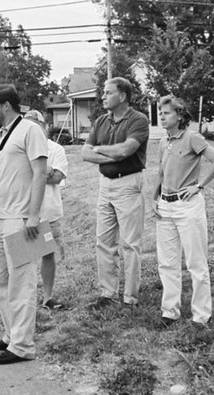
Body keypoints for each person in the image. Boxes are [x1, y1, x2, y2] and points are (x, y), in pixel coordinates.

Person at [0, 84, 48, 365]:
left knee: (22, 283)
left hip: (22, 219)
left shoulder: (30, 130)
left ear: (5, 105)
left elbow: (40, 172)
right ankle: (11, 334)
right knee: (1, 282)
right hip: (1, 217)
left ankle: (23, 346)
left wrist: (33, 216)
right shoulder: (3, 135)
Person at [153, 95, 214, 327]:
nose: (162, 117)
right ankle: (170, 312)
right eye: (160, 113)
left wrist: (199, 186)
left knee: (196, 262)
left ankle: (201, 315)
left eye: (166, 113)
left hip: (188, 207)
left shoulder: (192, 138)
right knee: (167, 262)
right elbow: (161, 172)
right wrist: (154, 197)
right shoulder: (164, 142)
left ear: (180, 116)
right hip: (165, 206)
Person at [80, 77, 149, 309]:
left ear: (123, 96)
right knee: (104, 242)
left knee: (130, 244)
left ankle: (130, 297)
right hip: (105, 185)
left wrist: (98, 149)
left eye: (108, 93)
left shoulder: (138, 120)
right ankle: (107, 294)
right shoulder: (101, 121)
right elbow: (85, 154)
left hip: (128, 184)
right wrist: (109, 153)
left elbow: (126, 151)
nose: (103, 97)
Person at [23, 110, 68, 310]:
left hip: (49, 212)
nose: (32, 128)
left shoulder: (55, 148)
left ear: (44, 126)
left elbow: (58, 177)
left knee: (48, 254)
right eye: (28, 123)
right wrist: (42, 172)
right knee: (24, 257)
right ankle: (25, 299)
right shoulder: (20, 148)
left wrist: (37, 174)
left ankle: (47, 297)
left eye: (36, 123)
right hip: (24, 210)